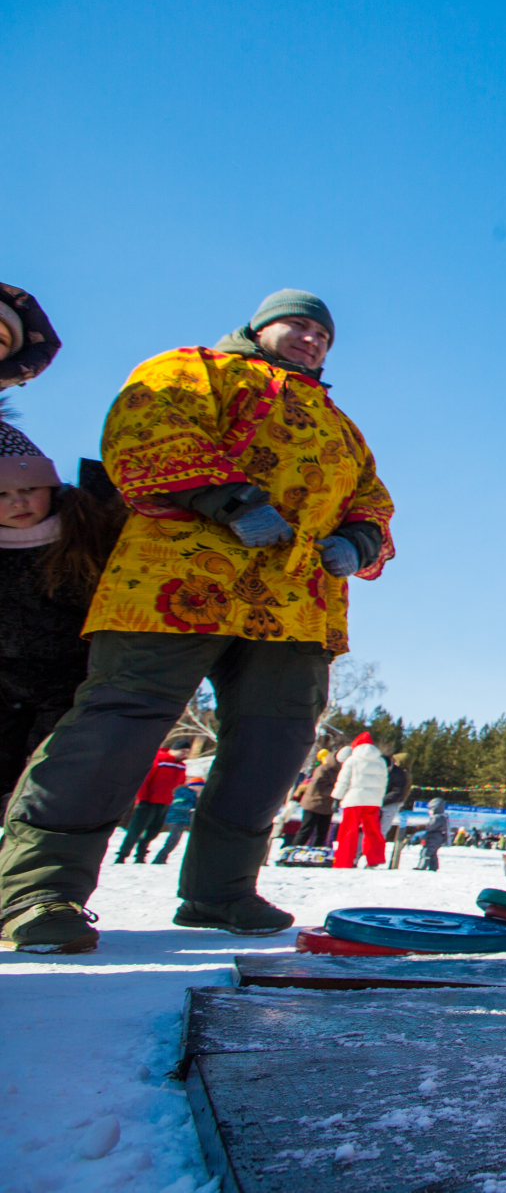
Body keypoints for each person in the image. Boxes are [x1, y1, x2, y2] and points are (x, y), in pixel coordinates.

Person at [0, 289, 395, 954]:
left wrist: (359, 539)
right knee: (118, 724)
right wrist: (227, 499)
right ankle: (39, 890)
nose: (312, 340)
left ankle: (222, 890)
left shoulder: (340, 423)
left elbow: (371, 497)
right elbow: (146, 427)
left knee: (275, 741)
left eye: (323, 335)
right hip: (176, 577)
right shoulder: (195, 367)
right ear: (260, 327)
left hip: (295, 599)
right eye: (299, 326)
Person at [0, 411, 125, 799]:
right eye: (2, 495)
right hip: (4, 685)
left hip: (73, 682)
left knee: (48, 784)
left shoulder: (90, 527)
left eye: (29, 488)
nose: (19, 502)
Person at [113, 744, 188, 863]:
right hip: (148, 801)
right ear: (173, 750)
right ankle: (122, 855)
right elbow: (145, 779)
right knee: (136, 830)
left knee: (153, 831)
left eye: (187, 751)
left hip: (165, 802)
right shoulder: (159, 760)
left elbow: (180, 784)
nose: (185, 754)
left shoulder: (181, 766)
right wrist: (142, 798)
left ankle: (141, 855)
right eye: (182, 751)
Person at [330, 733, 388, 869]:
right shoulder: (381, 761)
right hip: (373, 801)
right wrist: (379, 798)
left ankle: (344, 860)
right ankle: (375, 858)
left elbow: (343, 781)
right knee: (373, 829)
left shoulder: (352, 760)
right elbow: (384, 782)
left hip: (354, 799)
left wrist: (337, 797)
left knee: (348, 830)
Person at [289, 750, 339, 848]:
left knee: (322, 833)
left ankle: (316, 852)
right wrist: (337, 791)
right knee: (306, 830)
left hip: (327, 806)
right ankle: (293, 851)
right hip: (313, 803)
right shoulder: (323, 769)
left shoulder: (340, 770)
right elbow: (320, 787)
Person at [152, 775, 205, 865]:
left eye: (201, 787)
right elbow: (177, 804)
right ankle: (159, 859)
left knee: (175, 840)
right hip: (176, 818)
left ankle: (161, 858)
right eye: (198, 786)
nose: (200, 789)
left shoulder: (194, 795)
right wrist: (191, 808)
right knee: (173, 839)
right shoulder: (183, 792)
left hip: (182, 819)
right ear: (192, 786)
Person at [381, 750, 412, 846]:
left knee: (382, 829)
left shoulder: (403, 774)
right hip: (390, 802)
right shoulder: (398, 772)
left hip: (392, 803)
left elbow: (399, 792)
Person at [417, 798, 449, 870]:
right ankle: (433, 867)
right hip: (437, 838)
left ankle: (422, 866)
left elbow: (431, 826)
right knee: (432, 853)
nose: (429, 812)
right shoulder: (442, 817)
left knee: (426, 852)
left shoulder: (436, 817)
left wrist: (423, 827)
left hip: (433, 837)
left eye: (430, 810)